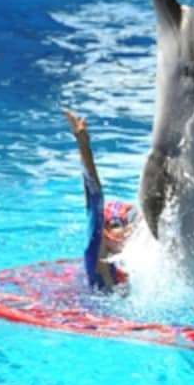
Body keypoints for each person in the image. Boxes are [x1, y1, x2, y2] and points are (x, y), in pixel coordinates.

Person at [64, 108, 137, 291]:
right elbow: (94, 198)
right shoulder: (98, 255)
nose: (129, 228)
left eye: (130, 222)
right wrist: (84, 147)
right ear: (103, 230)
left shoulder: (134, 262)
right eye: (117, 223)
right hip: (93, 313)